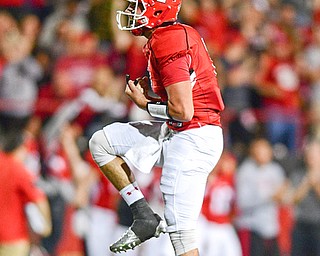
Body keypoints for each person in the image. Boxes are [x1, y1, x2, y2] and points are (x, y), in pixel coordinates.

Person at [88, 0, 225, 255]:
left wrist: (145, 104)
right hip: (180, 131)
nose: (132, 12)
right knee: (102, 142)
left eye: (138, 6)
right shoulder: (168, 36)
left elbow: (184, 111)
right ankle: (143, 216)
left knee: (182, 236)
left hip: (194, 136)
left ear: (157, 10)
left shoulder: (169, 40)